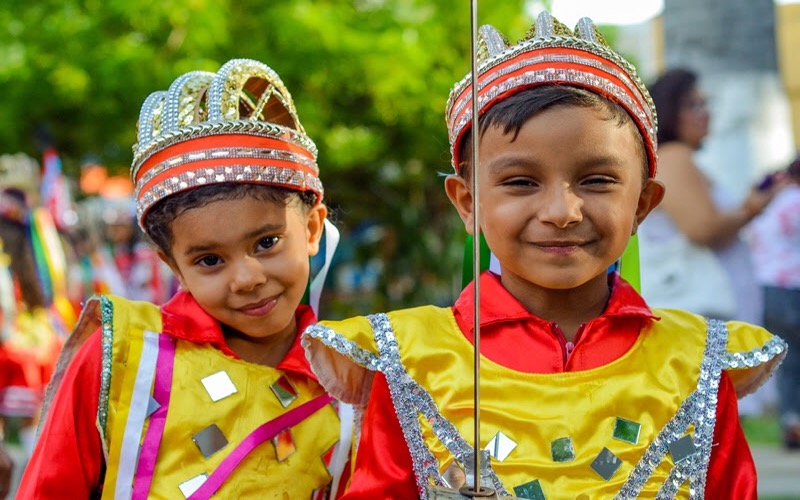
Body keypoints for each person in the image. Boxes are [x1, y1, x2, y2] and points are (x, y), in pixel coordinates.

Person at [302, 12, 787, 499]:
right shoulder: (412, 361)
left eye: (597, 180)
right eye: (521, 182)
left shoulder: (694, 362)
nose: (562, 212)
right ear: (468, 202)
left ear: (642, 204)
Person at [18, 58, 350, 499]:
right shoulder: (121, 357)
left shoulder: (351, 381)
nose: (247, 279)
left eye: (267, 242)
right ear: (173, 266)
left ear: (310, 229)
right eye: (210, 261)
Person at [638, 68, 781, 417]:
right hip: (695, 303)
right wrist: (749, 211)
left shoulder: (679, 159)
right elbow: (701, 227)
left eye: (705, 103)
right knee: (702, 416)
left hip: (704, 299)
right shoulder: (673, 157)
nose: (705, 113)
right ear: (668, 111)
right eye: (693, 104)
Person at [749, 156, 800, 449]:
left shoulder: (771, 200)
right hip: (794, 285)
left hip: (769, 287)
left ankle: (791, 421)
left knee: (788, 360)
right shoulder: (795, 202)